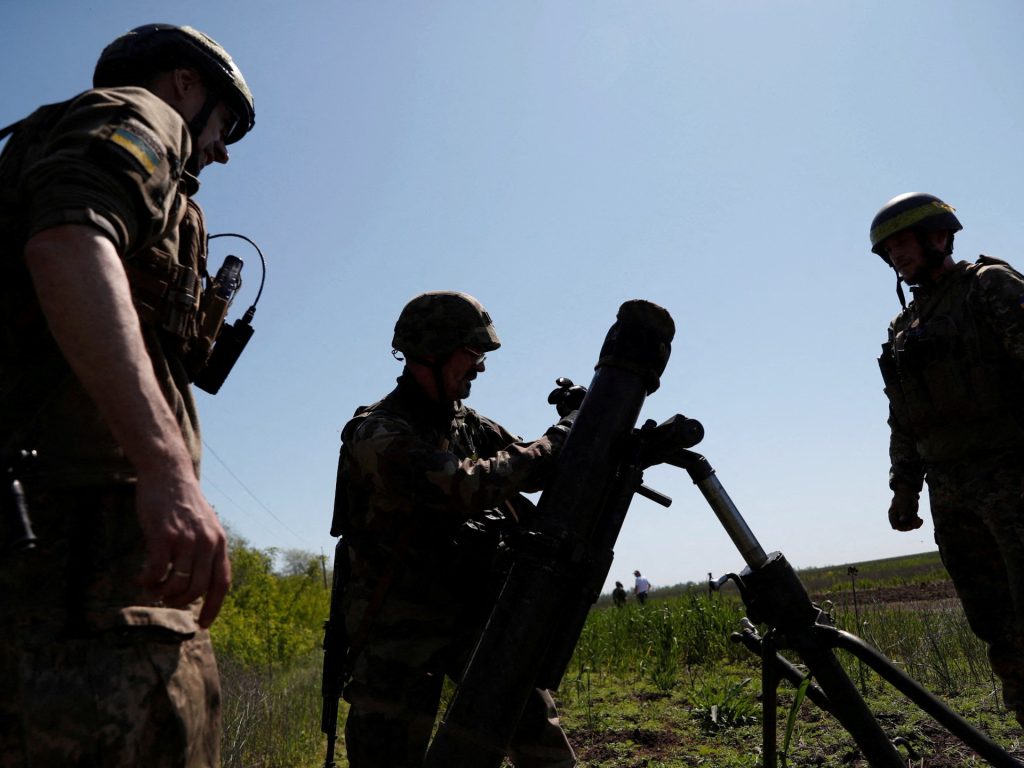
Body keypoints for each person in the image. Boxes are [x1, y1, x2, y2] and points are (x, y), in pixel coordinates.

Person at [0, 24, 255, 766]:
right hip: (80, 562)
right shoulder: (141, 115)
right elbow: (70, 241)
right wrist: (168, 470)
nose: (224, 147)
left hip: (78, 560)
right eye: (227, 121)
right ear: (184, 83)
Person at [331, 290, 577, 768]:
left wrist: (585, 429)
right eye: (473, 353)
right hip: (397, 634)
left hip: (473, 612)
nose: (480, 367)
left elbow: (535, 466)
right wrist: (558, 439)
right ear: (432, 349)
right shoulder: (379, 434)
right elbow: (469, 485)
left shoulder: (468, 425)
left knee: (536, 733)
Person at [873, 192, 1024, 726]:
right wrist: (904, 488)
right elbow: (904, 418)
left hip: (1011, 472)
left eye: (903, 243)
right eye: (888, 250)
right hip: (949, 486)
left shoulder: (989, 288)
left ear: (938, 236)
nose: (898, 257)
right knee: (994, 621)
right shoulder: (902, 330)